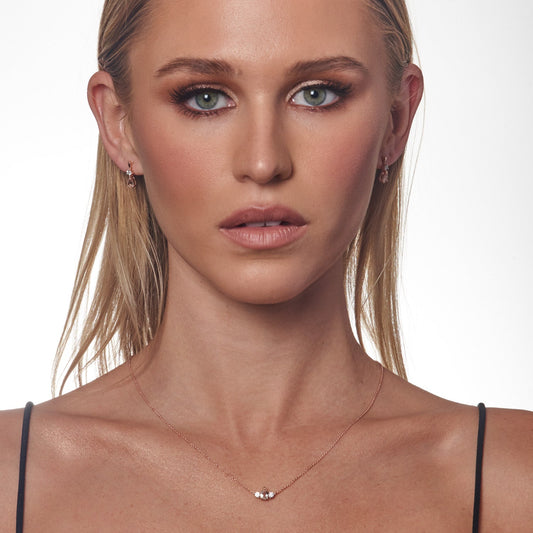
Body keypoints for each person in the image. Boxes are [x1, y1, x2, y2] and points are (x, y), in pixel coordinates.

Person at [1, 0, 532, 530]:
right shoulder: (11, 480)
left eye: (317, 94)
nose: (263, 162)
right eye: (205, 98)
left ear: (396, 120)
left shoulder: (513, 480)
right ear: (119, 124)